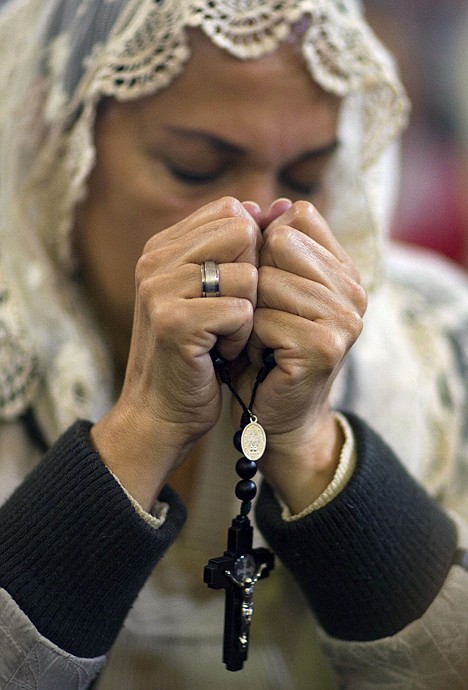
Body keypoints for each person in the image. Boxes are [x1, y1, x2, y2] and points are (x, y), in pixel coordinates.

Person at [0, 0, 467, 688]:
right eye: (195, 169)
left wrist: (312, 448)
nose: (257, 226)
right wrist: (145, 430)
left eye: (305, 179)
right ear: (57, 136)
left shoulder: (435, 343)